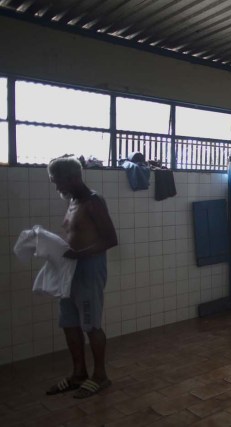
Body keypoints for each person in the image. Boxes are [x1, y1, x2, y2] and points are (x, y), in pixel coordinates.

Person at [46, 156, 118, 399]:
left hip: (88, 271)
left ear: (73, 178)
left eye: (59, 183)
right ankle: (78, 374)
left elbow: (111, 240)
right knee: (69, 323)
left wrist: (78, 255)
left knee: (91, 324)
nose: (57, 188)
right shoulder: (73, 201)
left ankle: (100, 376)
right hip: (69, 272)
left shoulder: (93, 202)